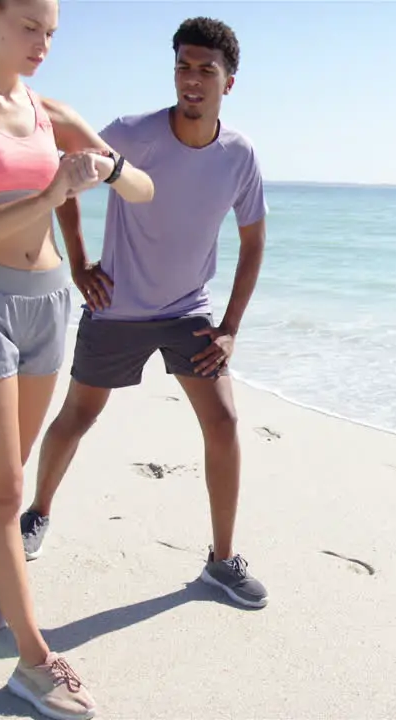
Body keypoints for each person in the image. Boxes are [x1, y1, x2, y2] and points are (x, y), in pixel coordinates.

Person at [0, 0, 154, 717]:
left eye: (51, 33)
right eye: (29, 27)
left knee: (4, 475)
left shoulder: (52, 110)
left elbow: (145, 187)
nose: (42, 45)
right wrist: (49, 192)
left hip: (48, 304)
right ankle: (33, 660)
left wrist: (105, 169)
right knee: (5, 493)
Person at [22, 16, 270, 609]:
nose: (191, 79)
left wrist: (231, 329)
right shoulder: (131, 134)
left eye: (205, 70)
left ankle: (221, 561)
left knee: (225, 424)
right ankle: (37, 513)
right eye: (183, 66)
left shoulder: (239, 154)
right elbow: (67, 177)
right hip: (119, 308)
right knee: (79, 415)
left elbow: (254, 240)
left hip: (189, 311)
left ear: (228, 83)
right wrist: (79, 264)